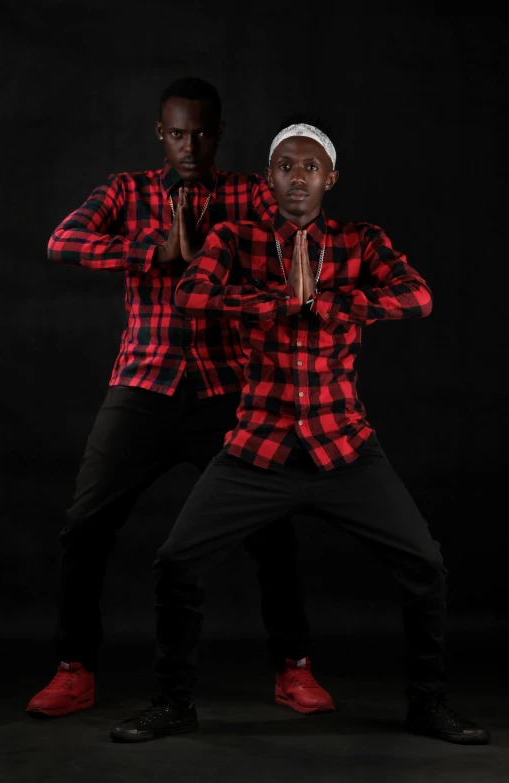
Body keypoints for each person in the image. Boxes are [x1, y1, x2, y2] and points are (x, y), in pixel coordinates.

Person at [110, 119, 490, 745]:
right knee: (176, 562)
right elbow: (191, 295)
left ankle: (429, 703)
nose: (296, 178)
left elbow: (416, 296)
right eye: (285, 166)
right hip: (257, 445)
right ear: (269, 177)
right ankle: (173, 702)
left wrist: (330, 304)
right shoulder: (236, 236)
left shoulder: (360, 240)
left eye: (309, 167)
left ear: (329, 178)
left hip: (343, 445)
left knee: (425, 565)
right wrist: (282, 302)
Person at [26, 81, 334, 719]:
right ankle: (73, 668)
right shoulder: (126, 191)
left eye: (201, 133)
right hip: (144, 383)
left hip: (227, 387)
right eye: (176, 134)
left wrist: (223, 255)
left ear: (219, 133)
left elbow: (298, 243)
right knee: (85, 525)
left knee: (272, 529)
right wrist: (153, 252)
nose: (189, 145)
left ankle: (294, 667)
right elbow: (63, 241)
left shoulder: (250, 192)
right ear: (158, 134)